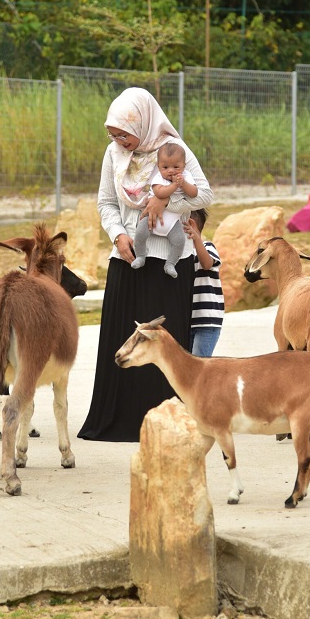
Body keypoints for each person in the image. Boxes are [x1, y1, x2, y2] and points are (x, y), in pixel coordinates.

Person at [78, 87, 212, 442]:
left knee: (165, 345)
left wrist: (163, 205)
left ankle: (168, 423)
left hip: (170, 262)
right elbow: (106, 202)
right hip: (128, 258)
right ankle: (117, 423)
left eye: (124, 132)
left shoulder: (173, 149)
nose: (118, 140)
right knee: (124, 341)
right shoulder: (114, 154)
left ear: (144, 121)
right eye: (113, 133)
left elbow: (206, 195)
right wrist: (118, 235)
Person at [131, 141, 198, 278]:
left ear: (184, 166)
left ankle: (170, 263)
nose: (171, 171)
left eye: (176, 167)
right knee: (140, 234)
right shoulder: (158, 178)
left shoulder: (186, 177)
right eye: (165, 167)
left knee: (179, 240)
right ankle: (141, 255)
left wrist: (183, 184)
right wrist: (174, 186)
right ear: (158, 167)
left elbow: (194, 193)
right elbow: (160, 193)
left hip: (172, 222)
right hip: (152, 218)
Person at [184, 208, 224, 357]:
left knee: (199, 363)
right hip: (188, 321)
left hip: (207, 320)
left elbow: (207, 264)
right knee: (188, 364)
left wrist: (196, 239)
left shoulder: (208, 247)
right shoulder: (181, 252)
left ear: (190, 224)